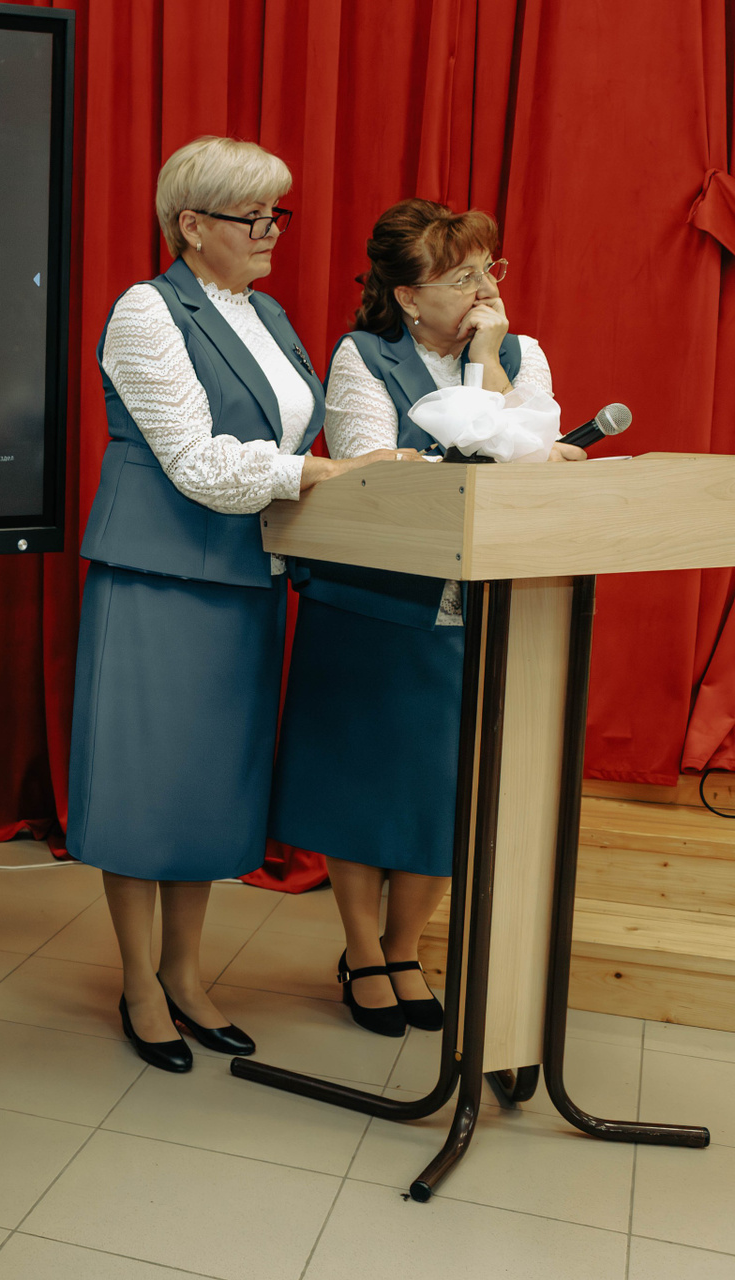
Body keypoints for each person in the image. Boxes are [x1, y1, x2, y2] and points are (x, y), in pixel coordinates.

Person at [65, 137, 423, 1075]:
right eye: (252, 216)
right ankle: (140, 984)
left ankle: (186, 976)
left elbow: (308, 435)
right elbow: (195, 460)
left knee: (207, 790)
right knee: (147, 787)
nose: (272, 232)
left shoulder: (265, 313)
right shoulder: (148, 309)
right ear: (191, 225)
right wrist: (316, 473)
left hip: (246, 577)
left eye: (277, 215)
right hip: (159, 580)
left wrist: (375, 459)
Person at [269, 199, 582, 1036]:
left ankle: (403, 948)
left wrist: (484, 365)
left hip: (479, 605)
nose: (486, 288)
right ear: (408, 295)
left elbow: (523, 464)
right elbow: (378, 473)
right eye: (463, 276)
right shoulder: (362, 356)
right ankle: (361, 949)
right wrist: (510, 452)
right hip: (374, 603)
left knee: (449, 791)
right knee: (361, 786)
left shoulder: (520, 353)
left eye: (489, 269)